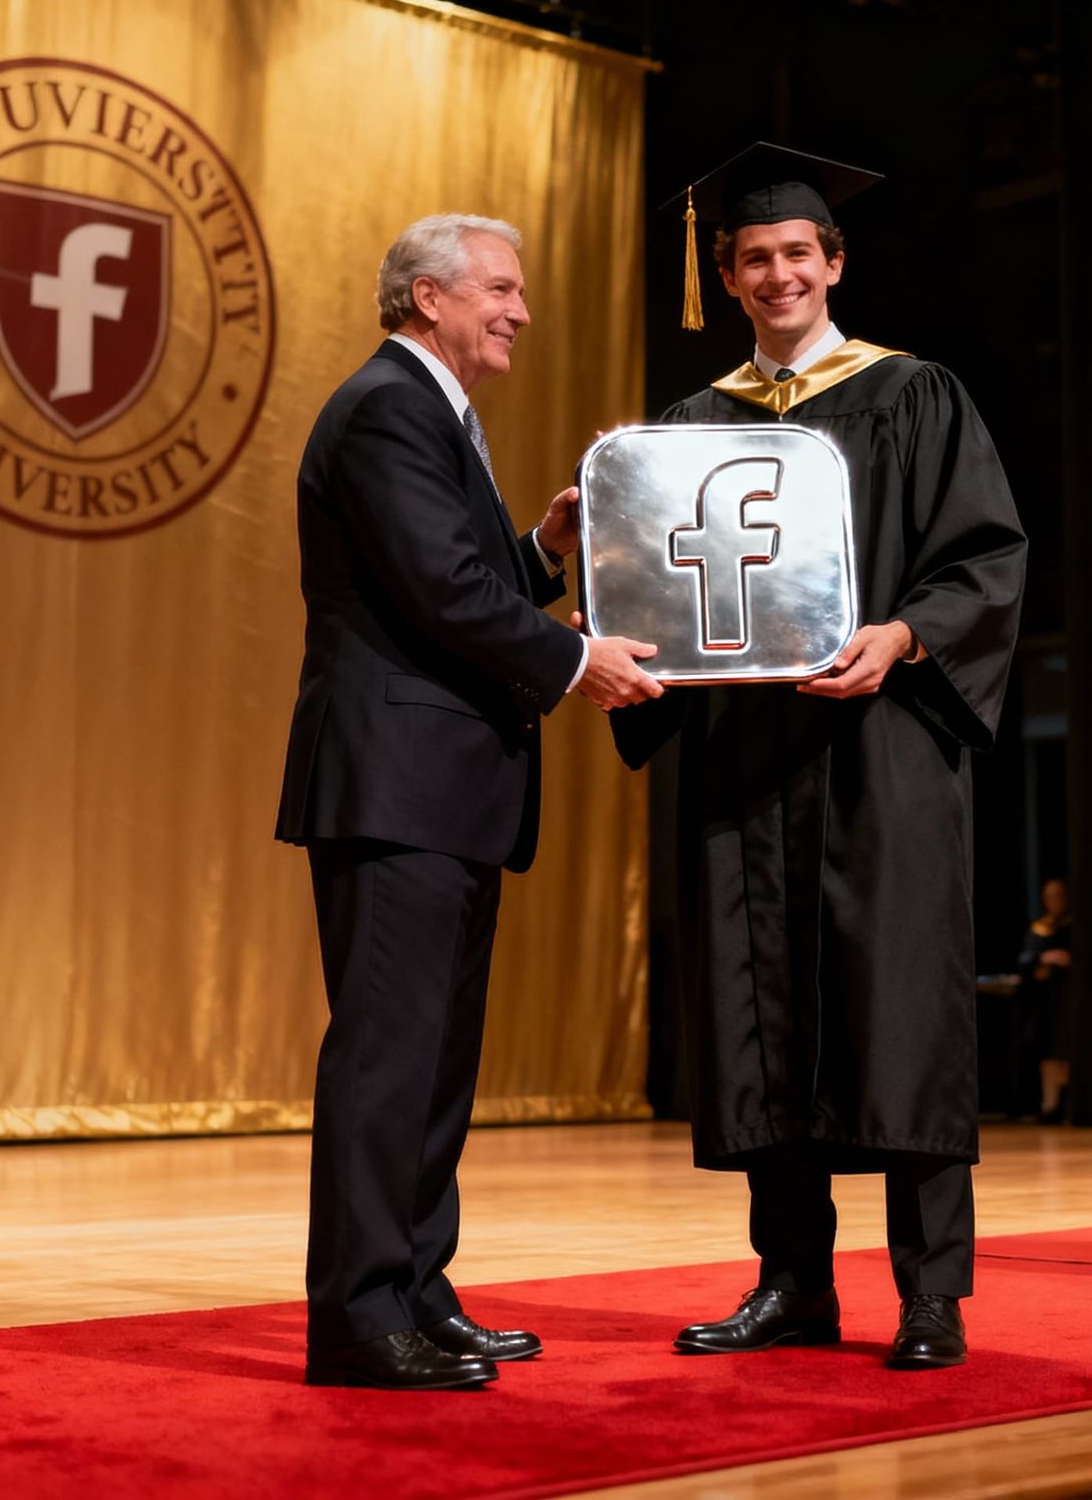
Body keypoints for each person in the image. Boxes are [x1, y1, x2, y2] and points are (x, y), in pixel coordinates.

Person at [611, 145, 1027, 1370]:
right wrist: (623, 635)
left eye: (797, 252)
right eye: (754, 258)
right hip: (746, 753)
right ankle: (791, 1280)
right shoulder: (690, 428)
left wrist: (903, 635)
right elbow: (662, 588)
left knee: (901, 1012)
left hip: (882, 743)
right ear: (728, 278)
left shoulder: (913, 395)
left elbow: (984, 559)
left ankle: (931, 1292)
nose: (777, 273)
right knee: (763, 1012)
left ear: (834, 263)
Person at [275, 213, 662, 1390]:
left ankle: (416, 1292)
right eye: (499, 288)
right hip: (396, 785)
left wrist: (539, 550)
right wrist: (574, 657)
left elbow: (455, 575)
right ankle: (358, 1318)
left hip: (441, 790)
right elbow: (438, 590)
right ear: (428, 296)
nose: (521, 310)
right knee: (388, 1060)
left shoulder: (431, 410)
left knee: (434, 1065)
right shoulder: (388, 407)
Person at [1017, 877, 1073, 1122]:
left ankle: (1067, 1105)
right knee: (1047, 1049)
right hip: (1045, 1000)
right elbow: (1024, 960)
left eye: (1059, 895)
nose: (1055, 901)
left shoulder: (1074, 927)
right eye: (1050, 896)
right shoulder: (1039, 928)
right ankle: (1049, 1105)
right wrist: (1044, 958)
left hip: (1067, 998)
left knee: (1066, 1049)